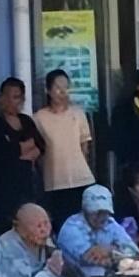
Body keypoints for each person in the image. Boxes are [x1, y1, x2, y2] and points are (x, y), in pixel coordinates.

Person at [0, 77, 46, 233]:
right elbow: (3, 153)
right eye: (6, 96)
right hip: (0, 189)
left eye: (16, 97)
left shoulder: (26, 121)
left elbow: (41, 145)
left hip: (25, 186)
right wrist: (23, 148)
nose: (10, 101)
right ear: (0, 98)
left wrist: (21, 150)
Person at [34, 68, 95, 225]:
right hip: (54, 181)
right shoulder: (39, 118)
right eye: (58, 88)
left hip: (81, 178)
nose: (63, 92)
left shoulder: (78, 114)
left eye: (66, 87)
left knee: (84, 223)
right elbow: (38, 152)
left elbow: (85, 147)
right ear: (48, 90)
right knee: (61, 224)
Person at [56, 184, 139, 277]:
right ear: (85, 210)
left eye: (105, 212)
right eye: (96, 212)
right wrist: (117, 255)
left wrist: (109, 249)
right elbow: (90, 257)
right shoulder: (71, 227)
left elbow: (134, 253)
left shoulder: (110, 223)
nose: (101, 216)